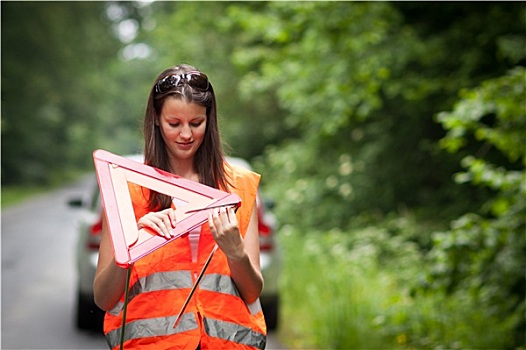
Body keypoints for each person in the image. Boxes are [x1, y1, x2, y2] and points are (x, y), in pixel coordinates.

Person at [93, 64, 267, 350]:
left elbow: (251, 292)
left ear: (209, 121)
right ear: (157, 121)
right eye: (174, 123)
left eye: (196, 123)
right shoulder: (127, 189)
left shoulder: (239, 186)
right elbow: (103, 298)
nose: (186, 134)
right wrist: (135, 242)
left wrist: (236, 253)